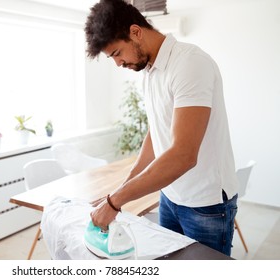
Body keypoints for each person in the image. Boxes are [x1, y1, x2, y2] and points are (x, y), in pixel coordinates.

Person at [84, 0, 239, 256]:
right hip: (170, 197)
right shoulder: (150, 71)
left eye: (117, 53)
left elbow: (183, 155)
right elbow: (156, 134)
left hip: (205, 204)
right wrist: (119, 189)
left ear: (135, 32)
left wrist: (115, 201)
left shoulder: (190, 64)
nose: (118, 64)